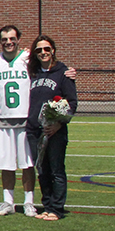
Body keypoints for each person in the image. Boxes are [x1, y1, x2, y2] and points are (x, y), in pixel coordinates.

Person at [0, 25, 37, 217]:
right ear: (0, 41)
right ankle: (8, 201)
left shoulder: (27, 59)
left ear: (18, 40)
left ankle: (29, 202)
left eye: (12, 38)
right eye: (4, 39)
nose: (8, 42)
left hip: (26, 120)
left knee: (27, 164)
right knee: (6, 164)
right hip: (3, 121)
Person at [26, 36, 77, 221]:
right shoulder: (32, 72)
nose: (43, 53)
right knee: (42, 169)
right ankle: (46, 206)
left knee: (56, 170)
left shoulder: (63, 73)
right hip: (34, 130)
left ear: (53, 50)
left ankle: (57, 209)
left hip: (54, 131)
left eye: (46, 49)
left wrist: (59, 123)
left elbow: (72, 102)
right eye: (39, 50)